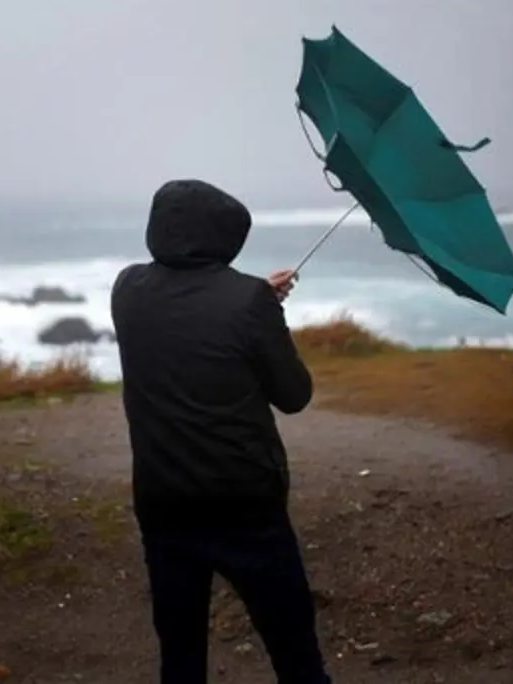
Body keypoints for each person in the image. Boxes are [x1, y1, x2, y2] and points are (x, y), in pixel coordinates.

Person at [110, 179, 333, 684]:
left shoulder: (127, 289)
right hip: (244, 504)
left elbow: (195, 315)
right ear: (227, 237)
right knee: (294, 648)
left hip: (162, 499)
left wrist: (257, 303)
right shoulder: (246, 301)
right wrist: (263, 310)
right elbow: (294, 396)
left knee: (181, 651)